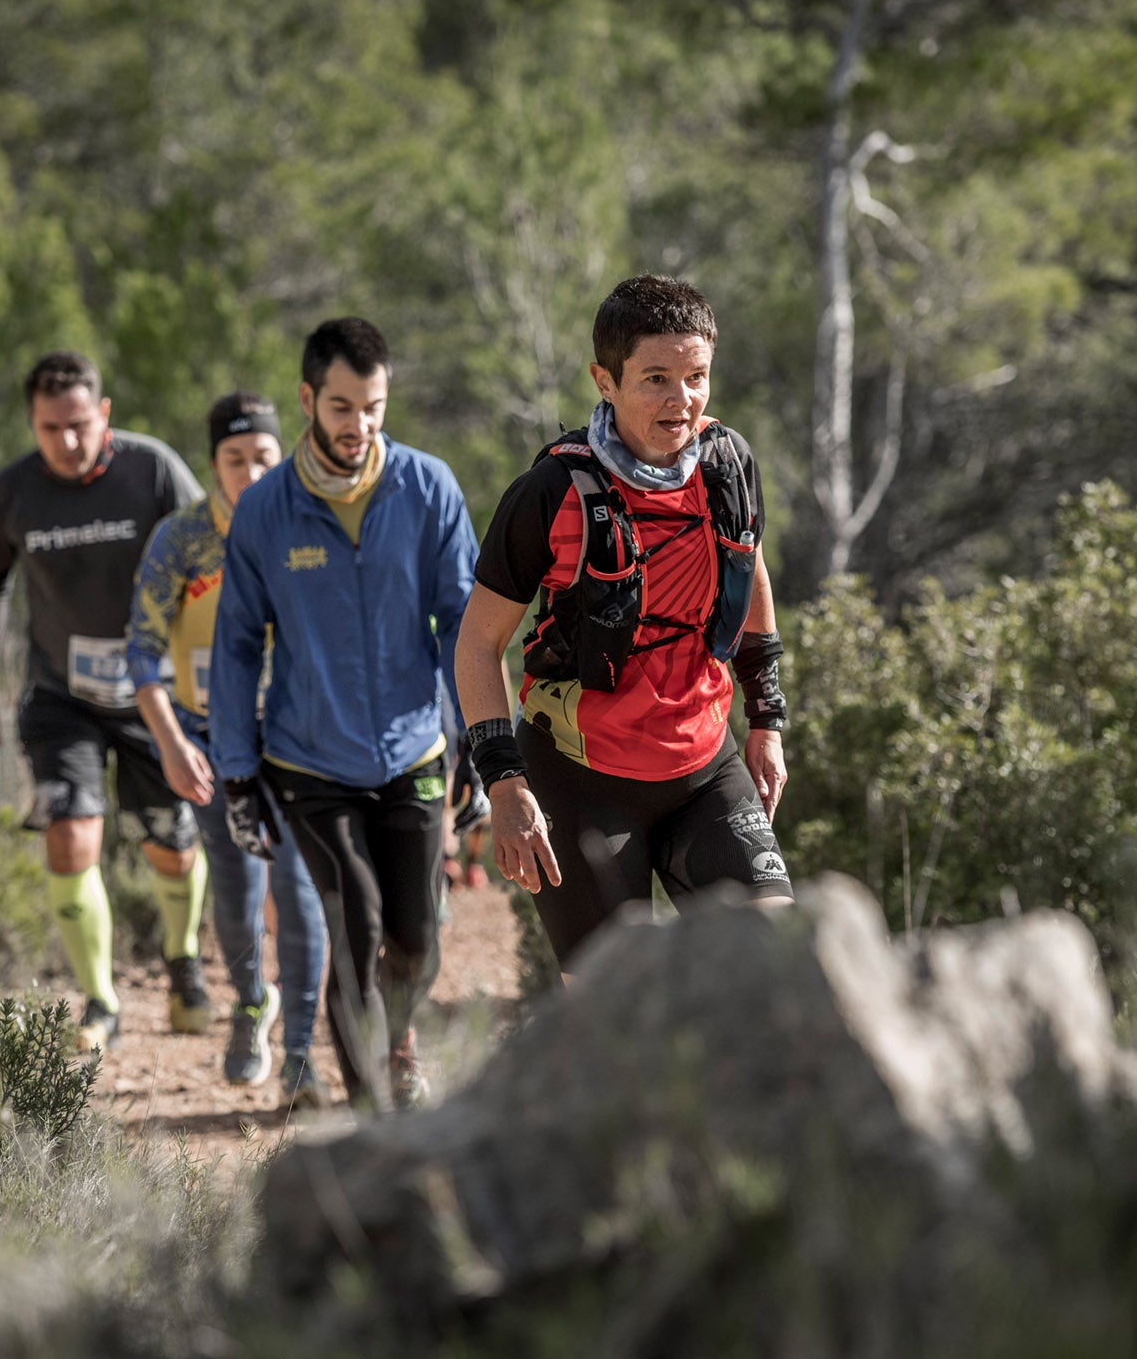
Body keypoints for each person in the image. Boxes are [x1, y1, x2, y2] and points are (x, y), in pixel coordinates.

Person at [453, 275, 793, 971]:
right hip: (580, 783)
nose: (683, 400)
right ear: (604, 380)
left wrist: (767, 718)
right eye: (657, 379)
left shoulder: (728, 464)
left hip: (704, 768)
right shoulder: (551, 494)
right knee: (615, 1013)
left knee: (776, 960)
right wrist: (504, 782)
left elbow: (748, 569)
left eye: (696, 377)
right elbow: (478, 644)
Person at [209, 318, 479, 1112]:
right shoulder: (265, 511)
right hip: (309, 761)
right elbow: (234, 646)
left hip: (414, 751)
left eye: (373, 406)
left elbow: (463, 623)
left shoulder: (428, 488)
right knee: (354, 925)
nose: (358, 426)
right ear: (307, 398)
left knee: (418, 939)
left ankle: (397, 1040)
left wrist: (482, 744)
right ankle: (371, 1122)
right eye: (341, 407)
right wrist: (235, 771)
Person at [0, 350, 212, 1054]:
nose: (67, 442)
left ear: (103, 413)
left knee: (170, 845)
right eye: (50, 428)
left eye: (79, 424)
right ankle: (100, 999)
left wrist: (211, 676)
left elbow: (213, 559)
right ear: (32, 424)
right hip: (60, 696)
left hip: (154, 696)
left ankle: (183, 957)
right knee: (72, 835)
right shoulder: (13, 491)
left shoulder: (153, 469)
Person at [125, 391, 331, 1107]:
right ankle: (252, 1003)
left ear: (284, 456)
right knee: (238, 889)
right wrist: (171, 741)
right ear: (213, 464)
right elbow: (141, 652)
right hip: (208, 739)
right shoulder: (181, 538)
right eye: (233, 459)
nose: (248, 471)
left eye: (263, 457)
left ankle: (303, 1050)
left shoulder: (309, 523)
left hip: (297, 738)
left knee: (295, 885)